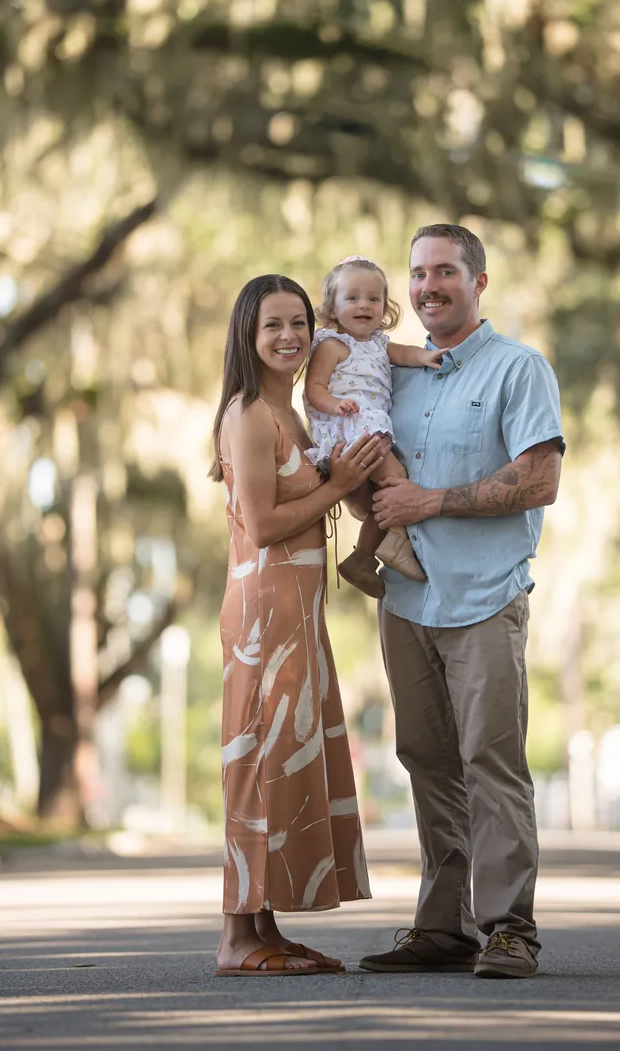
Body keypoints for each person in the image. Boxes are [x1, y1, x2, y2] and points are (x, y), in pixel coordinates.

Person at [356, 225, 565, 980]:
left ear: (479, 281)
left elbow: (539, 481)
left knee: (491, 762)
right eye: (416, 274)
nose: (426, 287)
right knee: (426, 761)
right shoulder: (395, 372)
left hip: (483, 600)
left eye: (444, 271)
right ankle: (442, 928)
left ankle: (510, 929)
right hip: (407, 599)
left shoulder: (519, 369)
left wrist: (431, 501)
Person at [210, 274, 383, 977]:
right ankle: (235, 940)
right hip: (263, 619)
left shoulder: (295, 413)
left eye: (299, 323)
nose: (289, 337)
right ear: (248, 339)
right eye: (272, 326)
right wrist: (340, 486)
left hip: (298, 616)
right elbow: (260, 524)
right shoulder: (249, 414)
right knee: (256, 768)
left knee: (281, 766)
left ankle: (265, 929)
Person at [303, 255, 442, 598]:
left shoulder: (379, 344)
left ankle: (370, 554)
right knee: (398, 483)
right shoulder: (333, 345)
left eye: (373, 298)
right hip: (351, 430)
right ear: (332, 308)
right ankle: (381, 549)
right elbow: (313, 388)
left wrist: (425, 357)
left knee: (386, 494)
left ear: (384, 307)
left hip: (370, 430)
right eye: (352, 298)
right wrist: (335, 405)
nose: (364, 305)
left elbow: (403, 353)